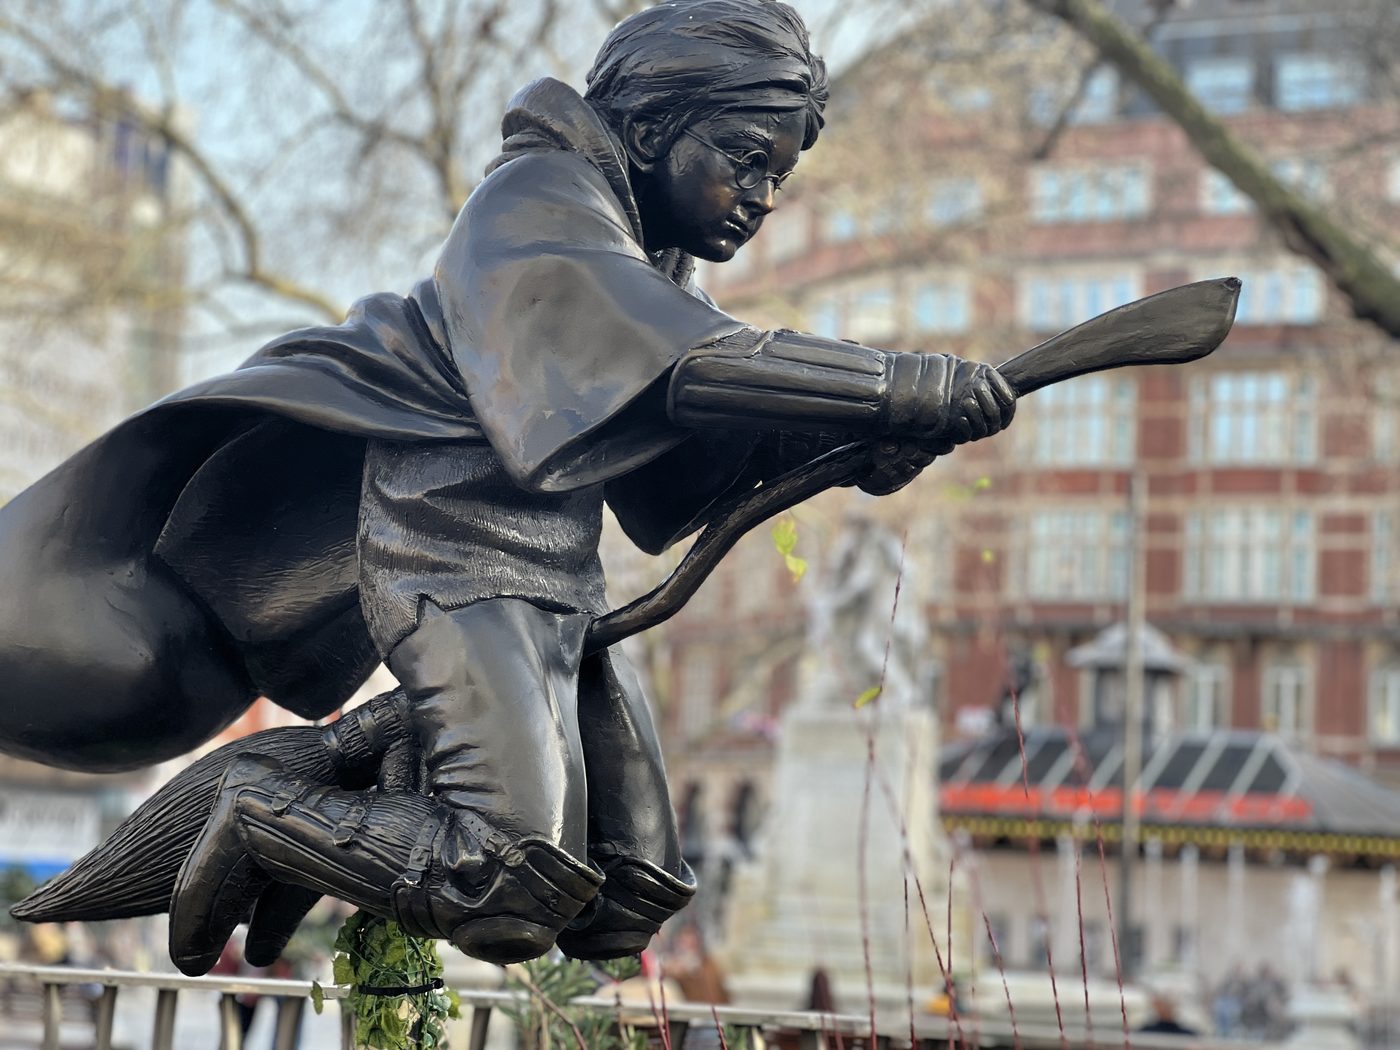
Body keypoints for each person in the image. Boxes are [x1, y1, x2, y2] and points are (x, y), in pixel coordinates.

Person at [0, 0, 1013, 973]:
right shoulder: (535, 206)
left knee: (631, 887)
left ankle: (368, 762)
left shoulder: (649, 261)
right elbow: (686, 365)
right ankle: (265, 810)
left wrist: (859, 445)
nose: (760, 197)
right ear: (654, 128)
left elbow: (671, 490)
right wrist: (882, 386)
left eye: (776, 176)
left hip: (553, 583)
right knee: (506, 886)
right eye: (744, 159)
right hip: (454, 560)